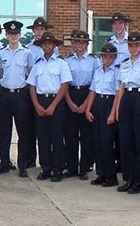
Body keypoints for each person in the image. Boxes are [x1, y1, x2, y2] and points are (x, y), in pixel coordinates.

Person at [114, 30, 140, 194]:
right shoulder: (125, 62)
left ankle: (139, 181)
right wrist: (118, 108)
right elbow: (121, 87)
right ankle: (128, 178)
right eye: (131, 45)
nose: (133, 48)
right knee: (126, 142)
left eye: (136, 45)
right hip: (126, 99)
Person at [27, 32, 70, 183]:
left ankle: (57, 169)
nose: (46, 46)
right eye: (44, 44)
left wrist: (53, 105)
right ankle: (46, 168)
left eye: (49, 43)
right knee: (43, 137)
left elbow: (65, 85)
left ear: (54, 45)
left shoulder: (61, 63)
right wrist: (37, 105)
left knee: (56, 137)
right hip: (40, 101)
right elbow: (32, 86)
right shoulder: (37, 64)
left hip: (56, 103)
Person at [0, 20, 33, 177]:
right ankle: (4, 163)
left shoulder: (27, 53)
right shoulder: (2, 53)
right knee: (3, 131)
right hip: (5, 94)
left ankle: (22, 165)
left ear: (20, 35)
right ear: (6, 35)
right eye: (10, 33)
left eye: (16, 34)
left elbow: (30, 73)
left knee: (23, 131)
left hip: (21, 95)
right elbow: (0, 74)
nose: (13, 36)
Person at [85, 43, 119, 188]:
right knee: (97, 142)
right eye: (105, 56)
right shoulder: (98, 70)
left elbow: (118, 94)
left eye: (110, 56)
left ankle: (111, 176)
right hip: (98, 104)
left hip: (109, 103)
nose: (107, 59)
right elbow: (93, 90)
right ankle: (101, 174)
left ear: (115, 57)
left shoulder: (117, 71)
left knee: (107, 142)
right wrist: (88, 109)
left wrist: (113, 113)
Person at [63, 29, 96, 180]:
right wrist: (69, 102)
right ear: (73, 43)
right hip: (70, 94)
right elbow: (64, 84)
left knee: (87, 136)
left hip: (87, 95)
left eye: (82, 42)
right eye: (76, 42)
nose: (79, 45)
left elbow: (95, 84)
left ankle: (84, 168)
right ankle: (71, 167)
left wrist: (85, 105)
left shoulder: (94, 60)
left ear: (87, 44)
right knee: (70, 135)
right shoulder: (67, 60)